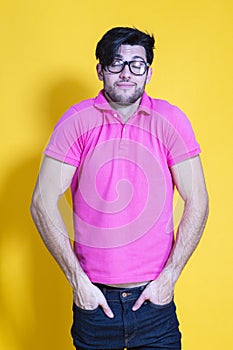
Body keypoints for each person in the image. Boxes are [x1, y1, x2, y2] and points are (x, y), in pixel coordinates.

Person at [30, 27, 209, 350]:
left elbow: (197, 199)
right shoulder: (76, 122)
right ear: (100, 69)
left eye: (136, 64)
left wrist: (170, 276)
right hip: (95, 304)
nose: (126, 72)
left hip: (154, 302)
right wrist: (78, 281)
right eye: (116, 63)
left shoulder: (170, 119)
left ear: (148, 72)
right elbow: (42, 201)